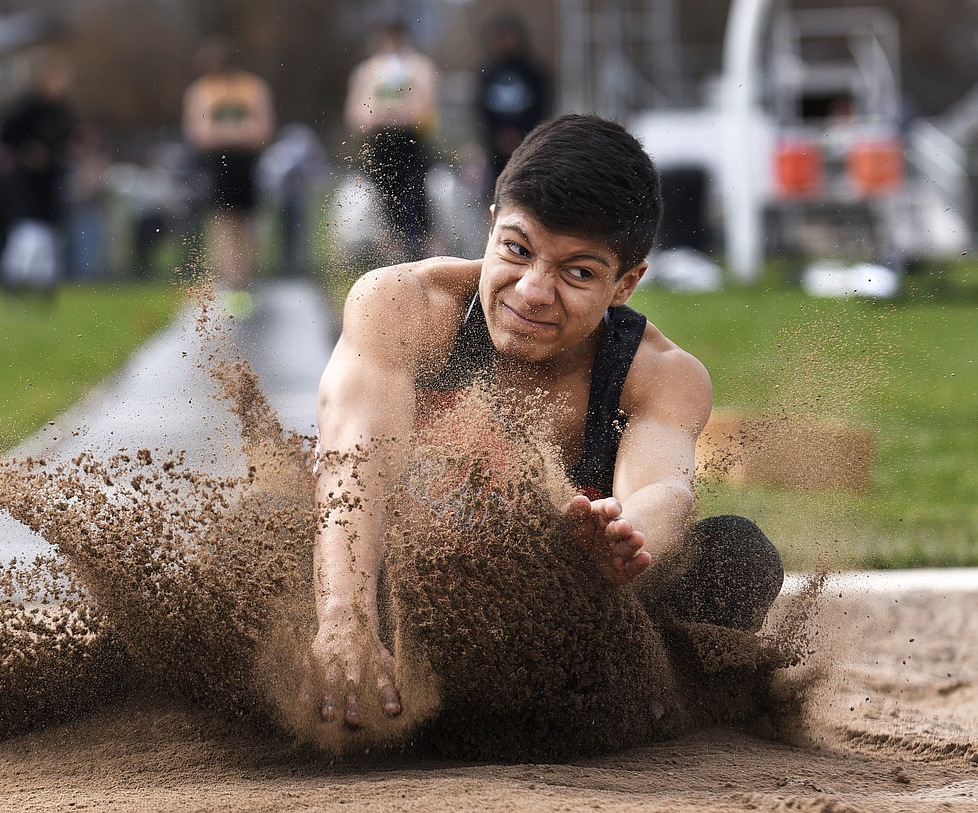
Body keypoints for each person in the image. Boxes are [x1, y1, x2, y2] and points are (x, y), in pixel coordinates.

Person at [310, 114, 784, 728]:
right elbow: (354, 464)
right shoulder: (403, 306)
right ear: (490, 228)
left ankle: (650, 707)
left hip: (564, 621)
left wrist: (628, 537)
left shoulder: (660, 374)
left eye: (578, 272)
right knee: (269, 537)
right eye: (517, 250)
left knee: (738, 556)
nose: (532, 292)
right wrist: (343, 615)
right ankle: (354, 674)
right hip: (395, 588)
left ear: (625, 284)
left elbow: (664, 487)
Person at [183, 38, 275, 312]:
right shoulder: (201, 91)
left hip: (246, 165)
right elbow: (199, 134)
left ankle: (245, 280)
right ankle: (230, 281)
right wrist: (237, 132)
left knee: (247, 224)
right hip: (216, 166)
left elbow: (262, 131)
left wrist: (225, 133)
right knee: (223, 224)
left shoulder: (253, 88)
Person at [343, 19, 439, 262]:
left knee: (420, 207)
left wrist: (389, 112)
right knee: (386, 210)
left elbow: (422, 112)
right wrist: (389, 113)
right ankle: (392, 264)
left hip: (412, 145)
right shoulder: (367, 71)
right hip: (380, 147)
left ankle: (426, 262)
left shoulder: (419, 67)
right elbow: (357, 117)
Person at [0, 51, 76, 293]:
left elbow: (68, 138)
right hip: (27, 185)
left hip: (50, 183)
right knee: (28, 236)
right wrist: (27, 154)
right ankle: (15, 280)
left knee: (48, 237)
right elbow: (5, 139)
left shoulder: (60, 111)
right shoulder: (25, 110)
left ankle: (44, 284)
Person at [474, 11, 551, 195]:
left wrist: (525, 135)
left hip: (528, 143)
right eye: (502, 37)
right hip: (495, 146)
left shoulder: (534, 71)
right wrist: (497, 136)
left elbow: (543, 106)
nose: (507, 42)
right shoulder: (488, 72)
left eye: (510, 36)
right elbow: (480, 109)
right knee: (496, 193)